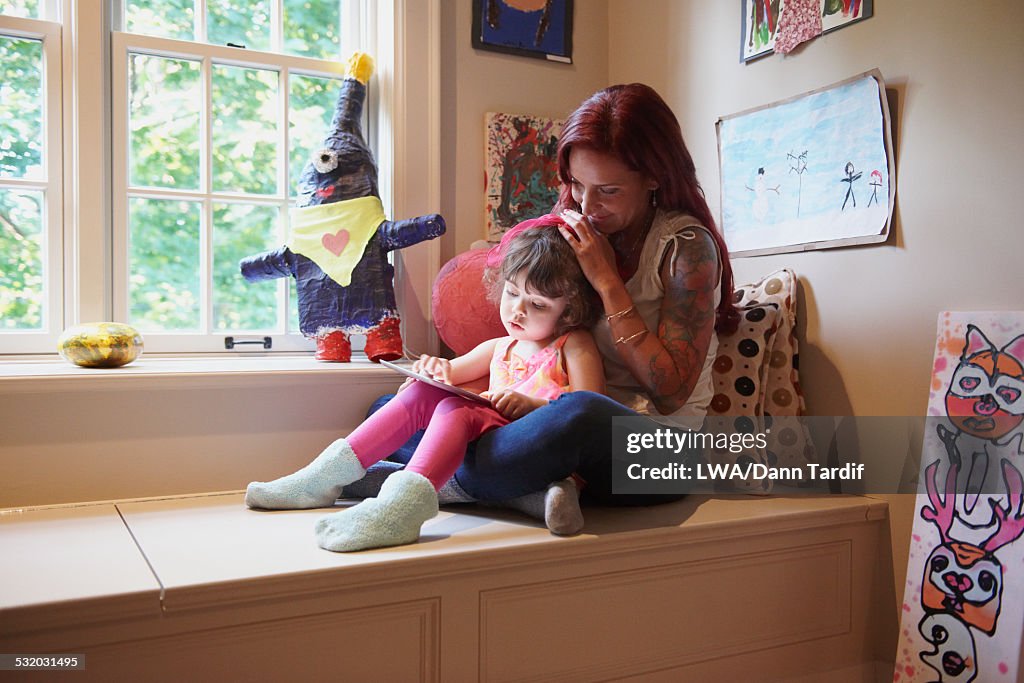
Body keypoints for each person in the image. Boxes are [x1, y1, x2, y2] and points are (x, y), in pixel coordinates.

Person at [357, 82, 740, 522]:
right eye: (578, 184)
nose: (588, 204)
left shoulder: (687, 248)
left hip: (654, 449)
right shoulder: (575, 231)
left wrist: (606, 281)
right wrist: (451, 390)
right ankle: (519, 487)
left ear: (654, 176)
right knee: (391, 409)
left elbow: (670, 393)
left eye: (609, 190)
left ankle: (429, 477)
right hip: (555, 432)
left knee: (580, 411)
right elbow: (526, 348)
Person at [245, 222, 605, 552]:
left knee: (455, 408)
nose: (517, 311)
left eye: (537, 304)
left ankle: (401, 506)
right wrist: (432, 368)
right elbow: (449, 373)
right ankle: (323, 476)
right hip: (494, 442)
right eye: (512, 294)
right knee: (424, 393)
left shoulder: (573, 343)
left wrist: (530, 405)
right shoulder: (499, 347)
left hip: (534, 441)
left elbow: (589, 410)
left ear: (569, 309)